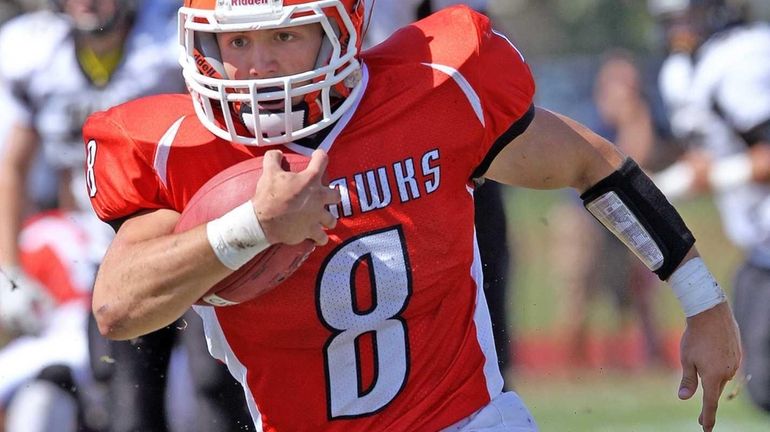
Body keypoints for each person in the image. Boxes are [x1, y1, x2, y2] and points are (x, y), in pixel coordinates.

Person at [85, 1, 741, 431]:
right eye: (236, 41)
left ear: (336, 29)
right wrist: (251, 225)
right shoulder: (176, 149)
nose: (256, 66)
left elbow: (588, 162)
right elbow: (117, 306)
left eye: (284, 35)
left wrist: (704, 303)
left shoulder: (435, 89)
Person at [0, 1, 251, 430]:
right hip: (108, 253)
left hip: (190, 235)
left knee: (216, 385)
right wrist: (8, 267)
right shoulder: (34, 54)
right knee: (126, 398)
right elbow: (13, 164)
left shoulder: (171, 38)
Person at [364, 0, 516, 384]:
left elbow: (472, 42)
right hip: (345, 131)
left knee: (477, 275)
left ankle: (486, 389)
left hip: (432, 128)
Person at [649, 0, 770, 414]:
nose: (679, 30)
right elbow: (703, 158)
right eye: (672, 20)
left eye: (688, 17)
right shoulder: (686, 71)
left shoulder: (744, 57)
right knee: (762, 386)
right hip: (760, 251)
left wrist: (715, 176)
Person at [549, 50, 665, 369]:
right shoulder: (589, 120)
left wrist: (636, 120)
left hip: (619, 217)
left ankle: (630, 362)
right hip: (582, 217)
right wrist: (634, 121)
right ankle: (574, 367)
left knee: (629, 293)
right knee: (578, 292)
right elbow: (621, 168)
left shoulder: (639, 119)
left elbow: (639, 167)